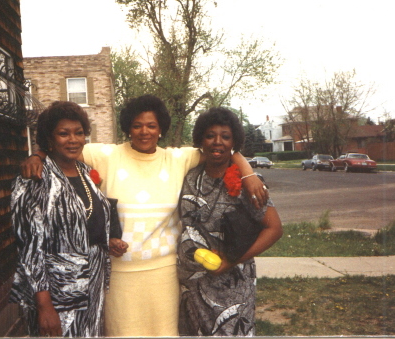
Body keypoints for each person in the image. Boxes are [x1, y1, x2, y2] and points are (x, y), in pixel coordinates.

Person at [21, 95, 269, 337]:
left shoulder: (177, 159)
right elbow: (64, 147)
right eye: (137, 125)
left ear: (161, 129)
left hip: (163, 274)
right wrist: (37, 155)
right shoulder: (106, 155)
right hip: (119, 276)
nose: (144, 132)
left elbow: (220, 148)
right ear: (128, 128)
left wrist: (247, 173)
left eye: (151, 125)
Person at [10, 101, 127, 337]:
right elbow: (29, 248)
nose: (73, 139)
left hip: (92, 283)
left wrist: (104, 240)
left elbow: (85, 216)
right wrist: (44, 306)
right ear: (50, 139)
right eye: (63, 133)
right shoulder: (35, 179)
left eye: (79, 132)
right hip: (57, 292)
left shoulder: (84, 172)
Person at [177, 107, 283, 336]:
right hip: (191, 289)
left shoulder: (249, 183)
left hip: (231, 288)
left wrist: (232, 261)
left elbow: (274, 229)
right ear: (200, 140)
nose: (217, 142)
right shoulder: (189, 176)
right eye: (210, 135)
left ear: (233, 141)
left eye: (225, 136)